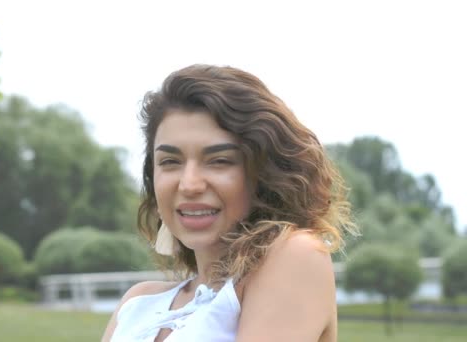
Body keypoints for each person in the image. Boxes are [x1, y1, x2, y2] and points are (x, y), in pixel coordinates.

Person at [101, 64, 356, 341]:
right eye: (170, 162)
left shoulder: (298, 255)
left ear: (264, 173)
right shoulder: (137, 302)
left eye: (219, 161)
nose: (189, 184)